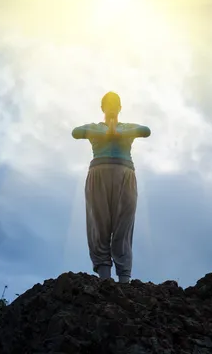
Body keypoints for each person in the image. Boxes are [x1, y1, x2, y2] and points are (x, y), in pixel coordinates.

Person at [71, 92, 151, 283]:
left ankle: (124, 280)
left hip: (126, 174)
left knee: (124, 225)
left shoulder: (127, 127)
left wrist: (119, 133)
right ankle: (105, 282)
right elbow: (75, 132)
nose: (113, 106)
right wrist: (105, 133)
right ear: (102, 107)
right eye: (109, 103)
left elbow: (146, 130)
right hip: (98, 174)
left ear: (121, 108)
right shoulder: (94, 127)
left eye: (116, 103)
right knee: (99, 225)